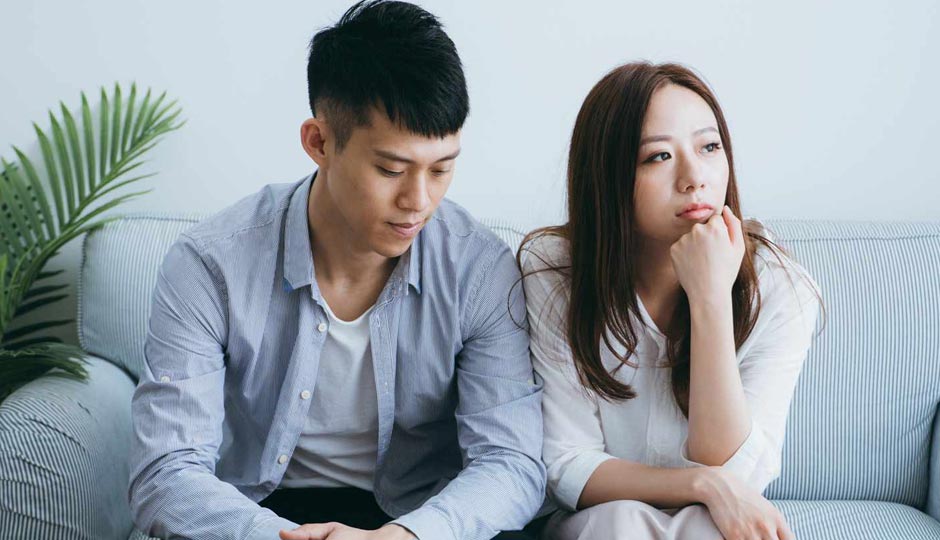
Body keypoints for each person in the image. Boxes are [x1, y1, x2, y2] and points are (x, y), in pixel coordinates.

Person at [129, 2, 545, 539]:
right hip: (252, 514)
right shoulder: (210, 265)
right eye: (391, 169)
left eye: (442, 169)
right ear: (319, 142)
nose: (418, 201)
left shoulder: (479, 270)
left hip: (418, 517)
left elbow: (511, 462)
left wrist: (407, 537)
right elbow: (167, 471)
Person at [519, 62, 821, 540]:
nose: (694, 177)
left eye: (709, 147)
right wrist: (703, 483)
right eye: (659, 156)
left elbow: (737, 473)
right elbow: (567, 463)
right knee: (620, 522)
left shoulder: (780, 285)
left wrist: (710, 300)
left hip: (713, 524)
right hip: (600, 520)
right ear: (607, 174)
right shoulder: (554, 270)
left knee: (707, 527)